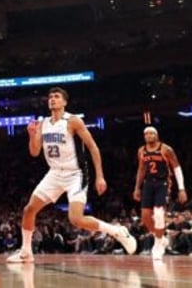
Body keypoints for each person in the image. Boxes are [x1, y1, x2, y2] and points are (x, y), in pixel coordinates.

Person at [7, 87, 137, 263]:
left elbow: (92, 147)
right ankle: (26, 252)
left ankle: (117, 231)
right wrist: (32, 135)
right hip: (54, 173)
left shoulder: (73, 121)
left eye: (57, 96)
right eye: (50, 97)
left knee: (75, 219)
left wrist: (100, 176)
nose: (52, 99)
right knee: (29, 210)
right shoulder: (42, 123)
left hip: (76, 173)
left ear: (64, 102)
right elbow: (34, 152)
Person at [132, 126, 187, 260]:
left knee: (158, 213)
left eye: (152, 133)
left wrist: (181, 188)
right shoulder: (141, 151)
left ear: (157, 135)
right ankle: (161, 237)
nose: (149, 135)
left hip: (163, 183)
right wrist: (137, 187)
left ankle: (157, 245)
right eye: (147, 134)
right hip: (148, 183)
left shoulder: (166, 149)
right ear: (144, 136)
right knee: (145, 216)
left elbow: (177, 168)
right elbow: (141, 170)